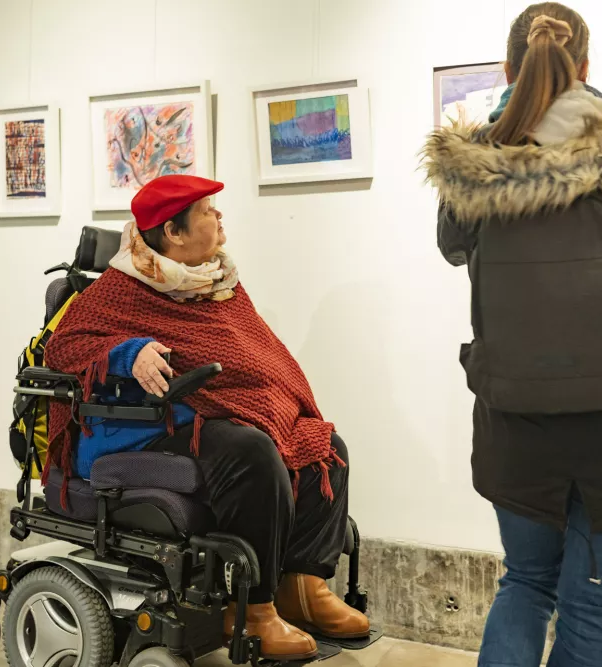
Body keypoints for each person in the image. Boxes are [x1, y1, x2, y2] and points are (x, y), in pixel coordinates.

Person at [422, 3, 602, 667]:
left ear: (506, 69)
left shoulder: (475, 167)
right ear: (586, 68)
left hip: (517, 421)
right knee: (593, 602)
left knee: (524, 583)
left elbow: (452, 247)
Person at [43, 174, 369, 661]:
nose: (219, 219)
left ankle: (303, 585)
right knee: (252, 454)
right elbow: (64, 347)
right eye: (208, 213)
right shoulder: (121, 288)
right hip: (142, 428)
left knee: (325, 446)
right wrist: (127, 354)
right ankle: (253, 610)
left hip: (210, 410)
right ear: (173, 233)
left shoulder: (217, 284)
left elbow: (253, 356)